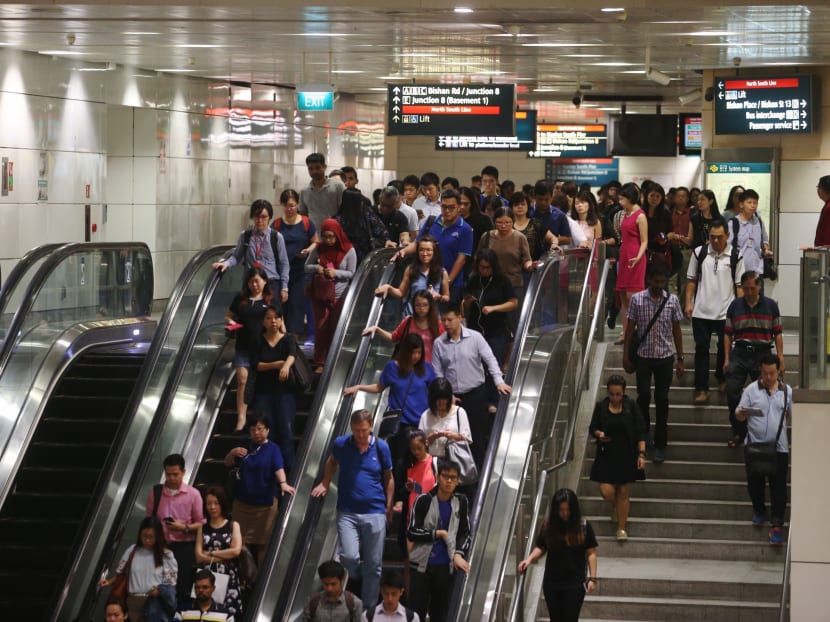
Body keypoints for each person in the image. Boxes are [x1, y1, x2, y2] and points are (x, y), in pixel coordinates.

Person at [311, 410, 394, 609]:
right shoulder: (342, 444)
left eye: (364, 430)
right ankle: (355, 579)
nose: (360, 435)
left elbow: (389, 477)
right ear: (351, 428)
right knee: (348, 556)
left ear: (371, 427)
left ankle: (368, 608)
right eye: (356, 431)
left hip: (375, 511)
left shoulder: (381, 447)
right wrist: (324, 482)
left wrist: (388, 506)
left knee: (374, 566)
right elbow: (332, 461)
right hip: (347, 511)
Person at [432, 302, 511, 468]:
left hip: (476, 395)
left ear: (460, 318)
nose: (446, 324)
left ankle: (479, 479)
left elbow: (490, 360)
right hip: (453, 400)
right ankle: (457, 481)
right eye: (444, 320)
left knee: (477, 439)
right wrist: (447, 395)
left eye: (450, 320)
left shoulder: (475, 337)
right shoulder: (439, 343)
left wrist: (499, 381)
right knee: (452, 440)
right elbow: (438, 372)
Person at [622, 264, 685, 464]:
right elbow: (630, 329)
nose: (659, 285)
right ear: (649, 279)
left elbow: (677, 330)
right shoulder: (637, 300)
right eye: (655, 281)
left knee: (662, 399)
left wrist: (681, 358)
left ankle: (660, 443)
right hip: (644, 356)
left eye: (662, 282)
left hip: (665, 357)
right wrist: (626, 355)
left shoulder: (672, 300)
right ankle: (643, 433)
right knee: (643, 396)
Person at [343, 333, 435, 462]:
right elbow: (379, 387)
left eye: (419, 353)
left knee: (417, 460)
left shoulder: (426, 368)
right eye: (412, 353)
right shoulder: (392, 367)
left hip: (420, 423)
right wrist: (358, 387)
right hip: (399, 424)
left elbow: (435, 391)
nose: (416, 356)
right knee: (397, 460)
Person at [684, 220, 745, 405]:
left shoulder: (736, 255)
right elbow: (692, 280)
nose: (716, 240)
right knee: (701, 349)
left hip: (726, 311)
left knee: (723, 348)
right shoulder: (699, 252)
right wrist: (688, 303)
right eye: (712, 237)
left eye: (719, 237)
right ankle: (701, 388)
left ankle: (722, 378)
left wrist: (741, 310)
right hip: (701, 311)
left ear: (727, 236)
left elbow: (739, 285)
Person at [735, 353, 792, 546]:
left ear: (778, 372)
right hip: (755, 446)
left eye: (772, 373)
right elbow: (738, 414)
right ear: (760, 371)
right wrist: (742, 414)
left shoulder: (787, 391)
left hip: (779, 447)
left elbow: (792, 415)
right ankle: (759, 510)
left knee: (778, 488)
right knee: (755, 483)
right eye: (765, 373)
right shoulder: (751, 390)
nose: (769, 377)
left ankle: (776, 524)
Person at [517, 489, 597, 622]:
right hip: (552, 582)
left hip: (575, 582)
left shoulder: (583, 526)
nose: (565, 513)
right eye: (561, 510)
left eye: (568, 509)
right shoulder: (549, 526)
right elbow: (541, 546)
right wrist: (529, 559)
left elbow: (591, 553)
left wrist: (593, 579)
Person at [224, 415, 295, 564]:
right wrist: (232, 453)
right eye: (253, 429)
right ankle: (245, 578)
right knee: (239, 542)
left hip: (265, 505)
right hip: (242, 503)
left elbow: (278, 467)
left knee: (264, 544)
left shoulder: (273, 448)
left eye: (260, 429)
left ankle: (260, 581)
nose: (256, 433)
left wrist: (283, 483)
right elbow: (228, 464)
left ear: (267, 430)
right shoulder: (244, 446)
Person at [724, 271, 784, 446]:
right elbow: (727, 334)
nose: (749, 292)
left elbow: (778, 333)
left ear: (759, 287)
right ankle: (739, 431)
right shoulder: (734, 306)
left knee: (767, 393)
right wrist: (726, 358)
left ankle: (765, 431)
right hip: (740, 352)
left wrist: (780, 358)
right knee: (732, 391)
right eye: (746, 289)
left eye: (752, 288)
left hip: (763, 352)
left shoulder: (771, 306)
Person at [407, 460, 471, 622]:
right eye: (445, 476)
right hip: (422, 565)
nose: (449, 481)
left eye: (453, 478)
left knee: (440, 613)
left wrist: (458, 553)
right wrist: (438, 534)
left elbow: (465, 532)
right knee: (416, 613)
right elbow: (412, 532)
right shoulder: (424, 500)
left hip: (446, 565)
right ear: (438, 477)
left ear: (457, 481)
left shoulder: (461, 502)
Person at [588, 375, 647, 541]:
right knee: (606, 490)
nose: (615, 397)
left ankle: (621, 528)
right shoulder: (601, 407)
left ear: (623, 392)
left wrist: (642, 454)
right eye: (612, 394)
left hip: (627, 453)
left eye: (618, 394)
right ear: (608, 392)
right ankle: (616, 506)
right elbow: (593, 428)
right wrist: (598, 434)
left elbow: (641, 430)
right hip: (606, 453)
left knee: (623, 491)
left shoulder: (631, 406)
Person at [396, 189, 474, 305]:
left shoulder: (465, 229)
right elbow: (418, 244)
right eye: (444, 207)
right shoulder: (431, 222)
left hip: (452, 284)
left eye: (451, 207)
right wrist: (403, 252)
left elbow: (461, 259)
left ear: (458, 207)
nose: (447, 211)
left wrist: (447, 282)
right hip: (428, 280)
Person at [145, 454, 204, 605]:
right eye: (168, 474)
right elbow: (148, 520)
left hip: (184, 547)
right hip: (161, 546)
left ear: (183, 472)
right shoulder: (156, 492)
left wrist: (184, 527)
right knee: (158, 587)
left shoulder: (193, 494)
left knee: (182, 586)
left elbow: (201, 523)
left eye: (175, 474)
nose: (171, 478)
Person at [211, 199, 290, 307]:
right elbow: (236, 257)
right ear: (252, 217)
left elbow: (284, 263)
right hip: (250, 285)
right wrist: (226, 263)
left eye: (264, 217)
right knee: (249, 319)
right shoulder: (246, 236)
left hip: (270, 285)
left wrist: (284, 287)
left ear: (269, 218)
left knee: (272, 320)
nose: (260, 220)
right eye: (257, 216)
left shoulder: (276, 237)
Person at [99, 517, 177, 622]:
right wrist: (108, 582)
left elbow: (170, 584)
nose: (147, 540)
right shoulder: (132, 550)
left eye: (151, 537)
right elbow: (122, 574)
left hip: (154, 603)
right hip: (132, 602)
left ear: (158, 537)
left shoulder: (167, 555)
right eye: (144, 536)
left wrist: (159, 591)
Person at [250, 305, 298, 470]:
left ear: (281, 320)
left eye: (277, 318)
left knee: (286, 431)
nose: (273, 321)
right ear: (263, 321)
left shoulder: (288, 339)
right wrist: (276, 365)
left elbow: (292, 355)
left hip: (285, 393)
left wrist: (285, 367)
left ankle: (289, 470)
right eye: (269, 318)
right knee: (261, 432)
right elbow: (256, 364)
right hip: (263, 392)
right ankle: (263, 467)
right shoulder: (258, 339)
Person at [305, 218, 357, 373]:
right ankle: (320, 361)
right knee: (320, 328)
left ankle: (335, 360)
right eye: (325, 236)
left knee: (336, 327)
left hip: (339, 295)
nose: (328, 240)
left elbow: (352, 273)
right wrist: (317, 267)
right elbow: (306, 266)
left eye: (331, 237)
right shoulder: (319, 248)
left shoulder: (348, 249)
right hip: (321, 294)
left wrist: (336, 273)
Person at [224, 267, 273, 432]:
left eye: (257, 281)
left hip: (263, 348)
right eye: (251, 281)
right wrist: (231, 323)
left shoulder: (269, 300)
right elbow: (228, 315)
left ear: (264, 281)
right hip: (243, 346)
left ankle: (262, 418)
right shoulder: (241, 299)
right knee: (242, 381)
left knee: (262, 382)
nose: (254, 285)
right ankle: (241, 416)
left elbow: (279, 321)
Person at [274, 188, 319, 340]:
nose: (290, 209)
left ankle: (294, 336)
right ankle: (280, 336)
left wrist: (307, 250)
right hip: (281, 272)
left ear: (298, 205)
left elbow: (316, 242)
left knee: (296, 303)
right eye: (286, 206)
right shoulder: (278, 224)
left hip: (300, 271)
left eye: (292, 205)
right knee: (281, 303)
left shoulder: (306, 222)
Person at [462, 248, 518, 369]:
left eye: (488, 267)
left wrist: (494, 308)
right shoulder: (474, 279)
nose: (485, 270)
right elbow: (465, 304)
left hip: (495, 330)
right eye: (482, 267)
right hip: (475, 328)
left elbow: (513, 302)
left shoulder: (502, 280)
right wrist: (468, 301)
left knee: (494, 363)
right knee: (475, 365)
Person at [194, 487, 242, 617]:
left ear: (222, 504)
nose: (212, 507)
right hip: (205, 577)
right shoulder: (202, 528)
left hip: (228, 576)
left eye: (216, 503)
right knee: (205, 613)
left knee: (227, 614)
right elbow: (198, 556)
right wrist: (223, 556)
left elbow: (236, 551)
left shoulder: (233, 525)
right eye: (209, 503)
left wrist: (210, 554)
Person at [362, 289, 444, 363]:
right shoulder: (408, 321)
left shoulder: (437, 324)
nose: (421, 308)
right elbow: (393, 337)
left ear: (430, 306)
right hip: (407, 367)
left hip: (428, 370)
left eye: (425, 305)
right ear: (414, 306)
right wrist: (376, 329)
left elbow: (444, 348)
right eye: (418, 305)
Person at [375, 235, 449, 316]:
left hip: (431, 319)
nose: (424, 254)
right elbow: (401, 292)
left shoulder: (442, 272)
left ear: (434, 252)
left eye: (428, 250)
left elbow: (446, 297)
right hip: (411, 317)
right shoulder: (411, 269)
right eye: (421, 250)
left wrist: (438, 297)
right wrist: (388, 288)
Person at [615, 182, 649, 343]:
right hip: (624, 256)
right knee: (623, 296)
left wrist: (638, 256)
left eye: (622, 199)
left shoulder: (640, 215)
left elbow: (644, 241)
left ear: (630, 198)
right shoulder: (624, 214)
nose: (620, 202)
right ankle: (625, 332)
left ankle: (641, 331)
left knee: (633, 296)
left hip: (635, 258)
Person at [477, 207, 533, 302]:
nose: (503, 226)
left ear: (513, 222)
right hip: (490, 283)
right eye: (499, 222)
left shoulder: (520, 238)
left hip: (513, 284)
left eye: (508, 222)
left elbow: (526, 259)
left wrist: (530, 266)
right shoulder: (486, 237)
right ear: (494, 222)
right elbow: (478, 258)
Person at [418, 377, 473, 459]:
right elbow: (419, 445)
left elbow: (468, 441)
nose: (441, 402)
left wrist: (455, 436)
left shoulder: (459, 412)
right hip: (433, 461)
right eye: (437, 399)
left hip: (455, 461)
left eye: (444, 399)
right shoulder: (425, 416)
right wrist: (430, 438)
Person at [337, 187, 393, 265]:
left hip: (351, 258)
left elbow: (381, 230)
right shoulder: (366, 214)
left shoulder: (339, 219)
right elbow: (381, 230)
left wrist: (386, 240)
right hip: (364, 258)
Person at [727, 189, 771, 283]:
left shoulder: (759, 222)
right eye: (749, 202)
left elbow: (765, 241)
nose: (753, 205)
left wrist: (766, 248)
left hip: (757, 271)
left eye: (755, 202)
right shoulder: (733, 223)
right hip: (739, 270)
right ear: (741, 204)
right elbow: (728, 246)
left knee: (758, 297)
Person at [299, 153, 345, 232]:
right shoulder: (304, 191)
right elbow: (303, 215)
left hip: (334, 236)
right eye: (310, 168)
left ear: (324, 167)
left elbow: (344, 212)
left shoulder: (338, 187)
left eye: (317, 167)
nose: (314, 171)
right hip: (313, 237)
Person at [458, 186, 494, 274]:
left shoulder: (483, 220)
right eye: (459, 203)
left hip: (475, 266)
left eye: (466, 204)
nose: (462, 207)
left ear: (472, 203)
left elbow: (489, 244)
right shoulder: (450, 220)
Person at [511, 190, 555, 262]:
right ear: (511, 207)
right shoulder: (506, 224)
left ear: (528, 206)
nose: (520, 207)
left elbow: (553, 238)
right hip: (511, 265)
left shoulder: (536, 224)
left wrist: (554, 244)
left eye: (523, 204)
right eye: (516, 204)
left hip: (533, 265)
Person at [815, 175, 830, 246]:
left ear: (822, 189)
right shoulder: (827, 205)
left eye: (818, 187)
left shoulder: (828, 207)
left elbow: (827, 233)